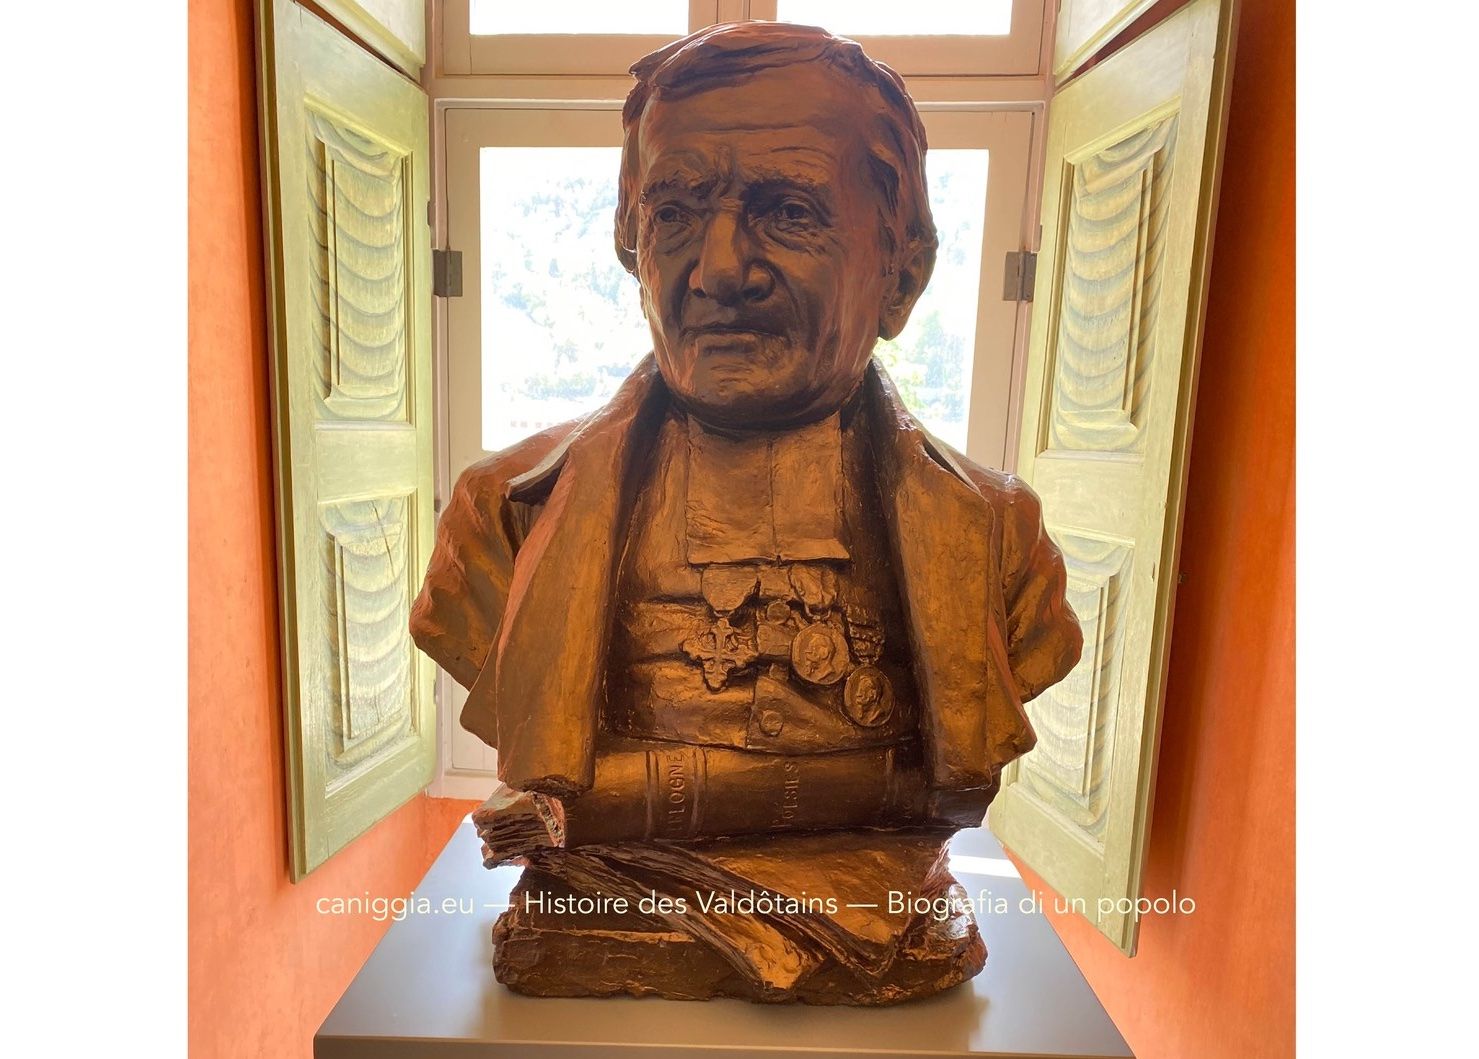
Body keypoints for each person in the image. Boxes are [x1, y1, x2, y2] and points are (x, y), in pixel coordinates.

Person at [411, 20, 1081, 1004]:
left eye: (789, 211)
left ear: (902, 268)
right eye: (674, 212)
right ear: (632, 247)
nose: (720, 267)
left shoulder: (999, 539)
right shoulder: (499, 517)